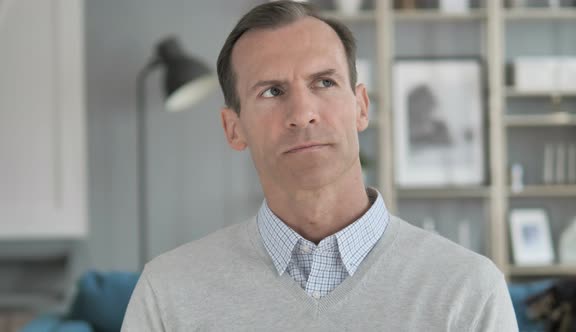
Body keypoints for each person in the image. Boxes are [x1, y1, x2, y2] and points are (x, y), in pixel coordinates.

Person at [122, 1, 518, 330]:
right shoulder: (168, 295)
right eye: (272, 91)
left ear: (361, 106)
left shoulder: (468, 290)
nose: (303, 113)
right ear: (233, 128)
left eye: (324, 83)